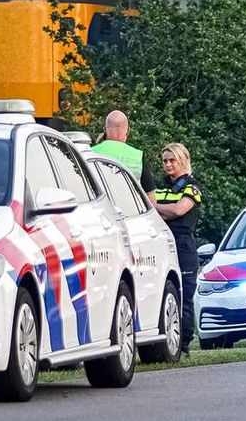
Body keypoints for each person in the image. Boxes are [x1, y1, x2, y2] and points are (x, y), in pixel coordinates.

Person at [150, 143, 201, 358]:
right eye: (165, 161)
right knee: (166, 295)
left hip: (184, 245)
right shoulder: (160, 186)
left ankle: (184, 346)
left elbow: (180, 209)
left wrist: (157, 208)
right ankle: (168, 343)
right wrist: (165, 211)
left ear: (183, 160)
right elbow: (150, 210)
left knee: (184, 298)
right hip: (162, 243)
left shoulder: (192, 186)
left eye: (173, 160)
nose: (168, 164)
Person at [91, 110, 155, 192]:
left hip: (100, 204)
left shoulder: (91, 152)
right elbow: (151, 200)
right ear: (128, 131)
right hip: (130, 204)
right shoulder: (137, 156)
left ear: (105, 130)